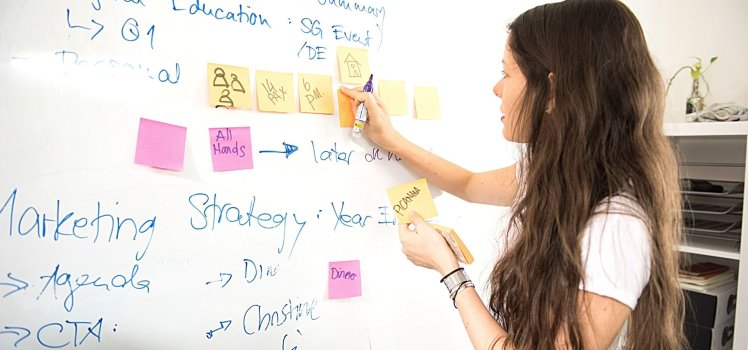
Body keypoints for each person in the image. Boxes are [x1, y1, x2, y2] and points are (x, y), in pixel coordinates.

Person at [341, 0, 685, 349]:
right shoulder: (563, 174)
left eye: (507, 73)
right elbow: (469, 184)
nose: (496, 88)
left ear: (551, 91)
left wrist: (449, 270)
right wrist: (389, 139)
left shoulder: (616, 224)